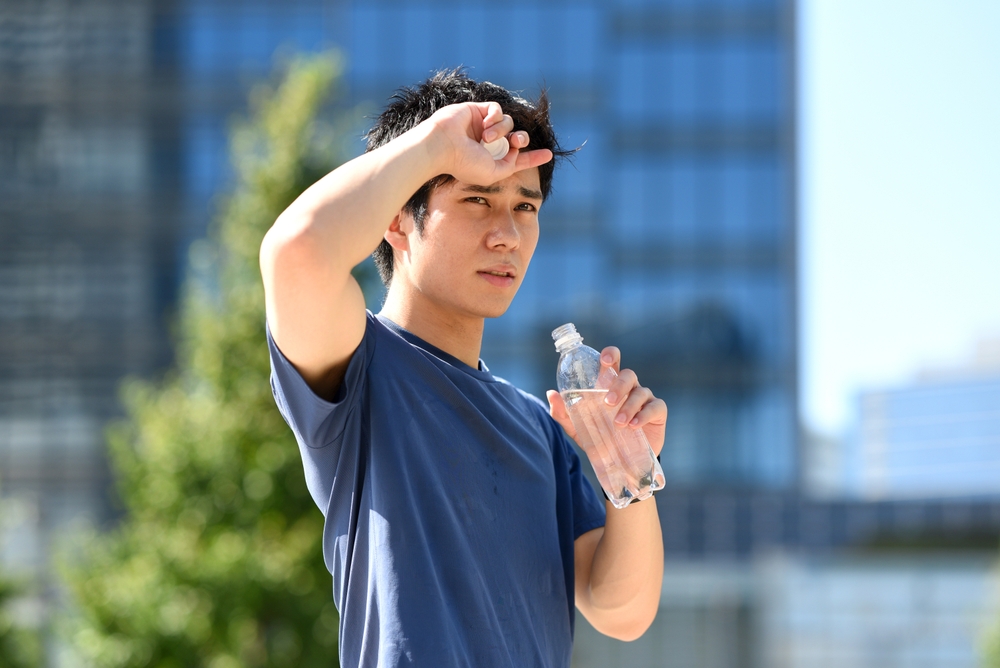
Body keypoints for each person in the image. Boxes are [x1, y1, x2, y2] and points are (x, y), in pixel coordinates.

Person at [259, 69, 666, 667]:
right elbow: (296, 254)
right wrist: (432, 145)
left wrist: (629, 473)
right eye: (477, 198)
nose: (507, 234)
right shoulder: (362, 367)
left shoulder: (541, 426)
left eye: (525, 207)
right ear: (398, 220)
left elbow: (622, 612)